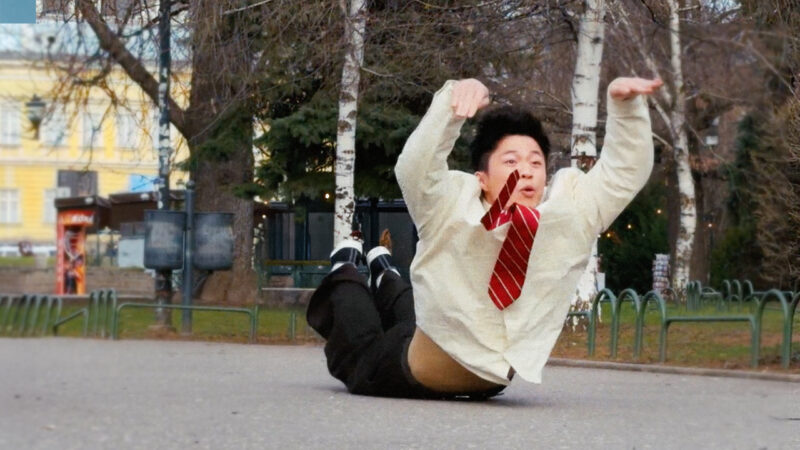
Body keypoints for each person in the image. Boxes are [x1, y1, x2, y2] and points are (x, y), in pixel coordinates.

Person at [307, 76, 662, 399]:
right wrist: (452, 104)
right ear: (483, 178)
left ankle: (384, 270)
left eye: (536, 163)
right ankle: (346, 266)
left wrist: (626, 109)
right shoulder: (450, 205)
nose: (526, 171)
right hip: (411, 368)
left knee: (407, 316)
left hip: (481, 372)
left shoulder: (569, 214)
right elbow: (415, 168)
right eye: (511, 162)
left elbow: (622, 175)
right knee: (359, 348)